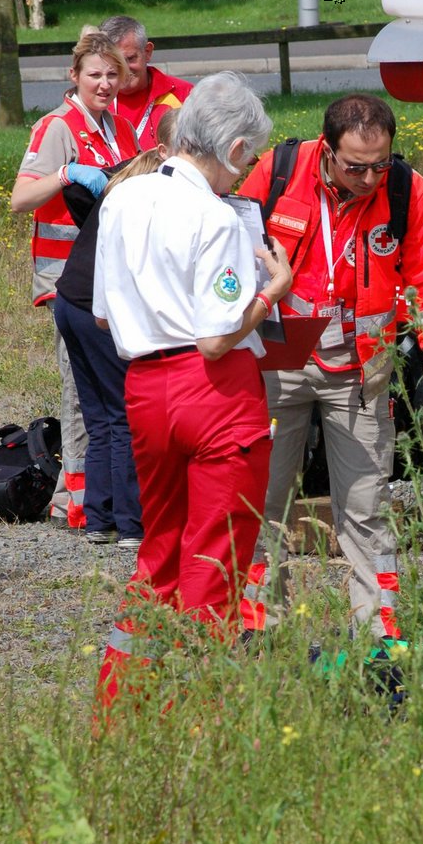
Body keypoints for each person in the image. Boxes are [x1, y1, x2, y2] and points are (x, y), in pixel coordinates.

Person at [238, 93, 423, 642]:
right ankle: (258, 629)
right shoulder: (277, 173)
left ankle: (378, 635)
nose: (370, 178)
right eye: (355, 167)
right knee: (262, 501)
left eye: (381, 164)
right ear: (327, 151)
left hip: (361, 373)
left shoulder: (406, 190)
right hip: (278, 366)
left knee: (368, 508)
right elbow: (230, 253)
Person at [93, 72, 293, 706]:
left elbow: (103, 312)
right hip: (214, 390)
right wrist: (271, 293)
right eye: (251, 159)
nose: (248, 173)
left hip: (146, 385)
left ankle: (120, 705)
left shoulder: (123, 198)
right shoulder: (220, 215)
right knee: (217, 557)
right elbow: (216, 336)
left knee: (159, 550)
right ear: (233, 150)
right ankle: (199, 715)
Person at [11, 27, 139, 530]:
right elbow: (20, 199)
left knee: (110, 386)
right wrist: (65, 175)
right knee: (80, 385)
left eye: (113, 74)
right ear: (74, 76)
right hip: (66, 274)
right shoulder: (56, 126)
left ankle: (103, 489)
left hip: (107, 271)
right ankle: (75, 496)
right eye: (95, 75)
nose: (105, 84)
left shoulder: (120, 127)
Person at [52, 110, 179, 549]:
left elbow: (78, 197)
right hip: (93, 304)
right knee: (124, 414)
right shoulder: (163, 189)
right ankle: (130, 523)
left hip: (69, 298)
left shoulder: (128, 172)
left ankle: (100, 517)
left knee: (100, 415)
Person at [99, 15, 194, 150]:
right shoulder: (91, 101)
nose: (123, 69)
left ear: (147, 52)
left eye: (130, 59)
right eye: (114, 62)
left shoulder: (184, 95)